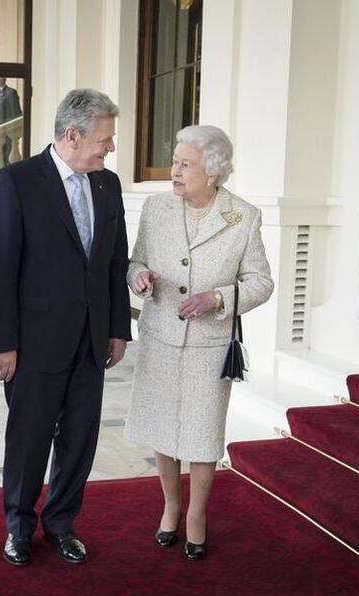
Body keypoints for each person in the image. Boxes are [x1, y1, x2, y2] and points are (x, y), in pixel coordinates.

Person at [0, 88, 131, 567]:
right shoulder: (17, 181)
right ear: (73, 134)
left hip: (91, 341)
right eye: (105, 139)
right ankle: (18, 526)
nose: (110, 148)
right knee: (29, 438)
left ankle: (62, 523)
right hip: (34, 343)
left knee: (80, 438)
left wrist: (117, 328)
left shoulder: (108, 185)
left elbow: (113, 262)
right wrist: (3, 344)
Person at [126, 124, 273, 561]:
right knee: (162, 426)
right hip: (160, 336)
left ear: (212, 172)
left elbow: (262, 282)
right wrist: (139, 277)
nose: (174, 170)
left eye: (184, 164)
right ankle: (171, 507)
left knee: (202, 431)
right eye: (174, 162)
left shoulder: (242, 216)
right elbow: (135, 261)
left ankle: (197, 515)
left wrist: (219, 298)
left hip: (210, 344)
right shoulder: (156, 208)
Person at [0, 77, 22, 164]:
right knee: (0, 157)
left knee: (8, 157)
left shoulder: (11, 93)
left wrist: (11, 128)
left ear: (4, 79)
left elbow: (16, 112)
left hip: (8, 132)